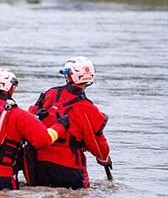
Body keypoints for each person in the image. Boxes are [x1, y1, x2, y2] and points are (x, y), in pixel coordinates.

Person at [0, 68, 69, 191]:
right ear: (10, 88)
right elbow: (44, 140)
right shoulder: (17, 114)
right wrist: (60, 126)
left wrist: (34, 114)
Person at [28, 56, 111, 189]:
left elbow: (30, 120)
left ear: (70, 76)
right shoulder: (88, 109)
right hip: (68, 167)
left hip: (38, 163)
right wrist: (104, 158)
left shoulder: (50, 94)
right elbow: (96, 142)